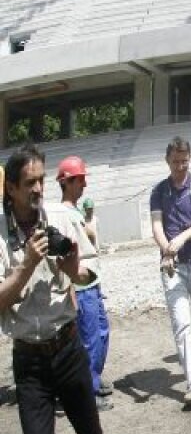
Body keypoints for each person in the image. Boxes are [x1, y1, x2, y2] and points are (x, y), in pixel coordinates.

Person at [0, 146, 124, 434]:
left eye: (40, 180)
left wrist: (70, 262)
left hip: (67, 346)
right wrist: (27, 264)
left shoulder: (62, 217)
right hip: (29, 360)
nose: (37, 189)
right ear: (10, 187)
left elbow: (85, 272)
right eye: (28, 182)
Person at [150, 136, 191, 409]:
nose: (180, 167)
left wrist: (182, 239)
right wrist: (167, 249)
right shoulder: (158, 191)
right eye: (175, 162)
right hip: (172, 266)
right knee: (181, 323)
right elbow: (156, 226)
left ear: (190, 159)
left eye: (184, 161)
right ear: (167, 161)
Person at [56, 156, 112, 410]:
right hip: (81, 286)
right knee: (89, 340)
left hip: (92, 283)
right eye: (80, 180)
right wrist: (72, 292)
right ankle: (88, 394)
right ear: (67, 182)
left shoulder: (74, 212)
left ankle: (94, 380)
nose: (84, 185)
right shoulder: (62, 215)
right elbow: (65, 259)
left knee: (102, 333)